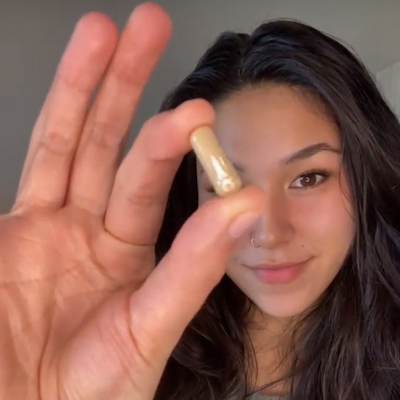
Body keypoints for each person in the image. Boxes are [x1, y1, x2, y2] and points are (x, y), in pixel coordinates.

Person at [0, 2, 398, 400]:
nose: (269, 234)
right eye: (227, 186)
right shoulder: (128, 353)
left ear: (367, 174)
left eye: (309, 178)